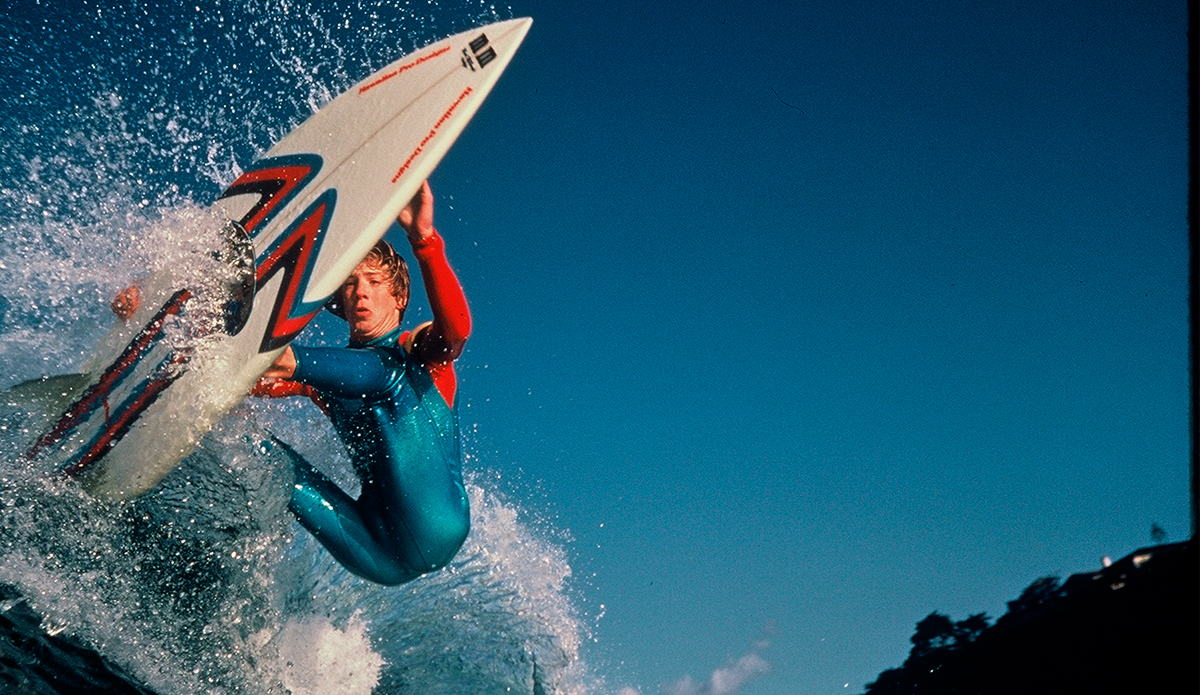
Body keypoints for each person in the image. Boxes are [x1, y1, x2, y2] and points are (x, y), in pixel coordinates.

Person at [114, 181, 472, 586]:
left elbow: (456, 331)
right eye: (351, 284)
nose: (361, 294)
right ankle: (161, 405)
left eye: (373, 281)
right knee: (257, 444)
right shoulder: (323, 382)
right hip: (375, 551)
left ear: (399, 296)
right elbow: (237, 379)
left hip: (440, 524)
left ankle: (278, 354)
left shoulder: (421, 356)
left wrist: (424, 239)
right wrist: (153, 321)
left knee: (383, 372)